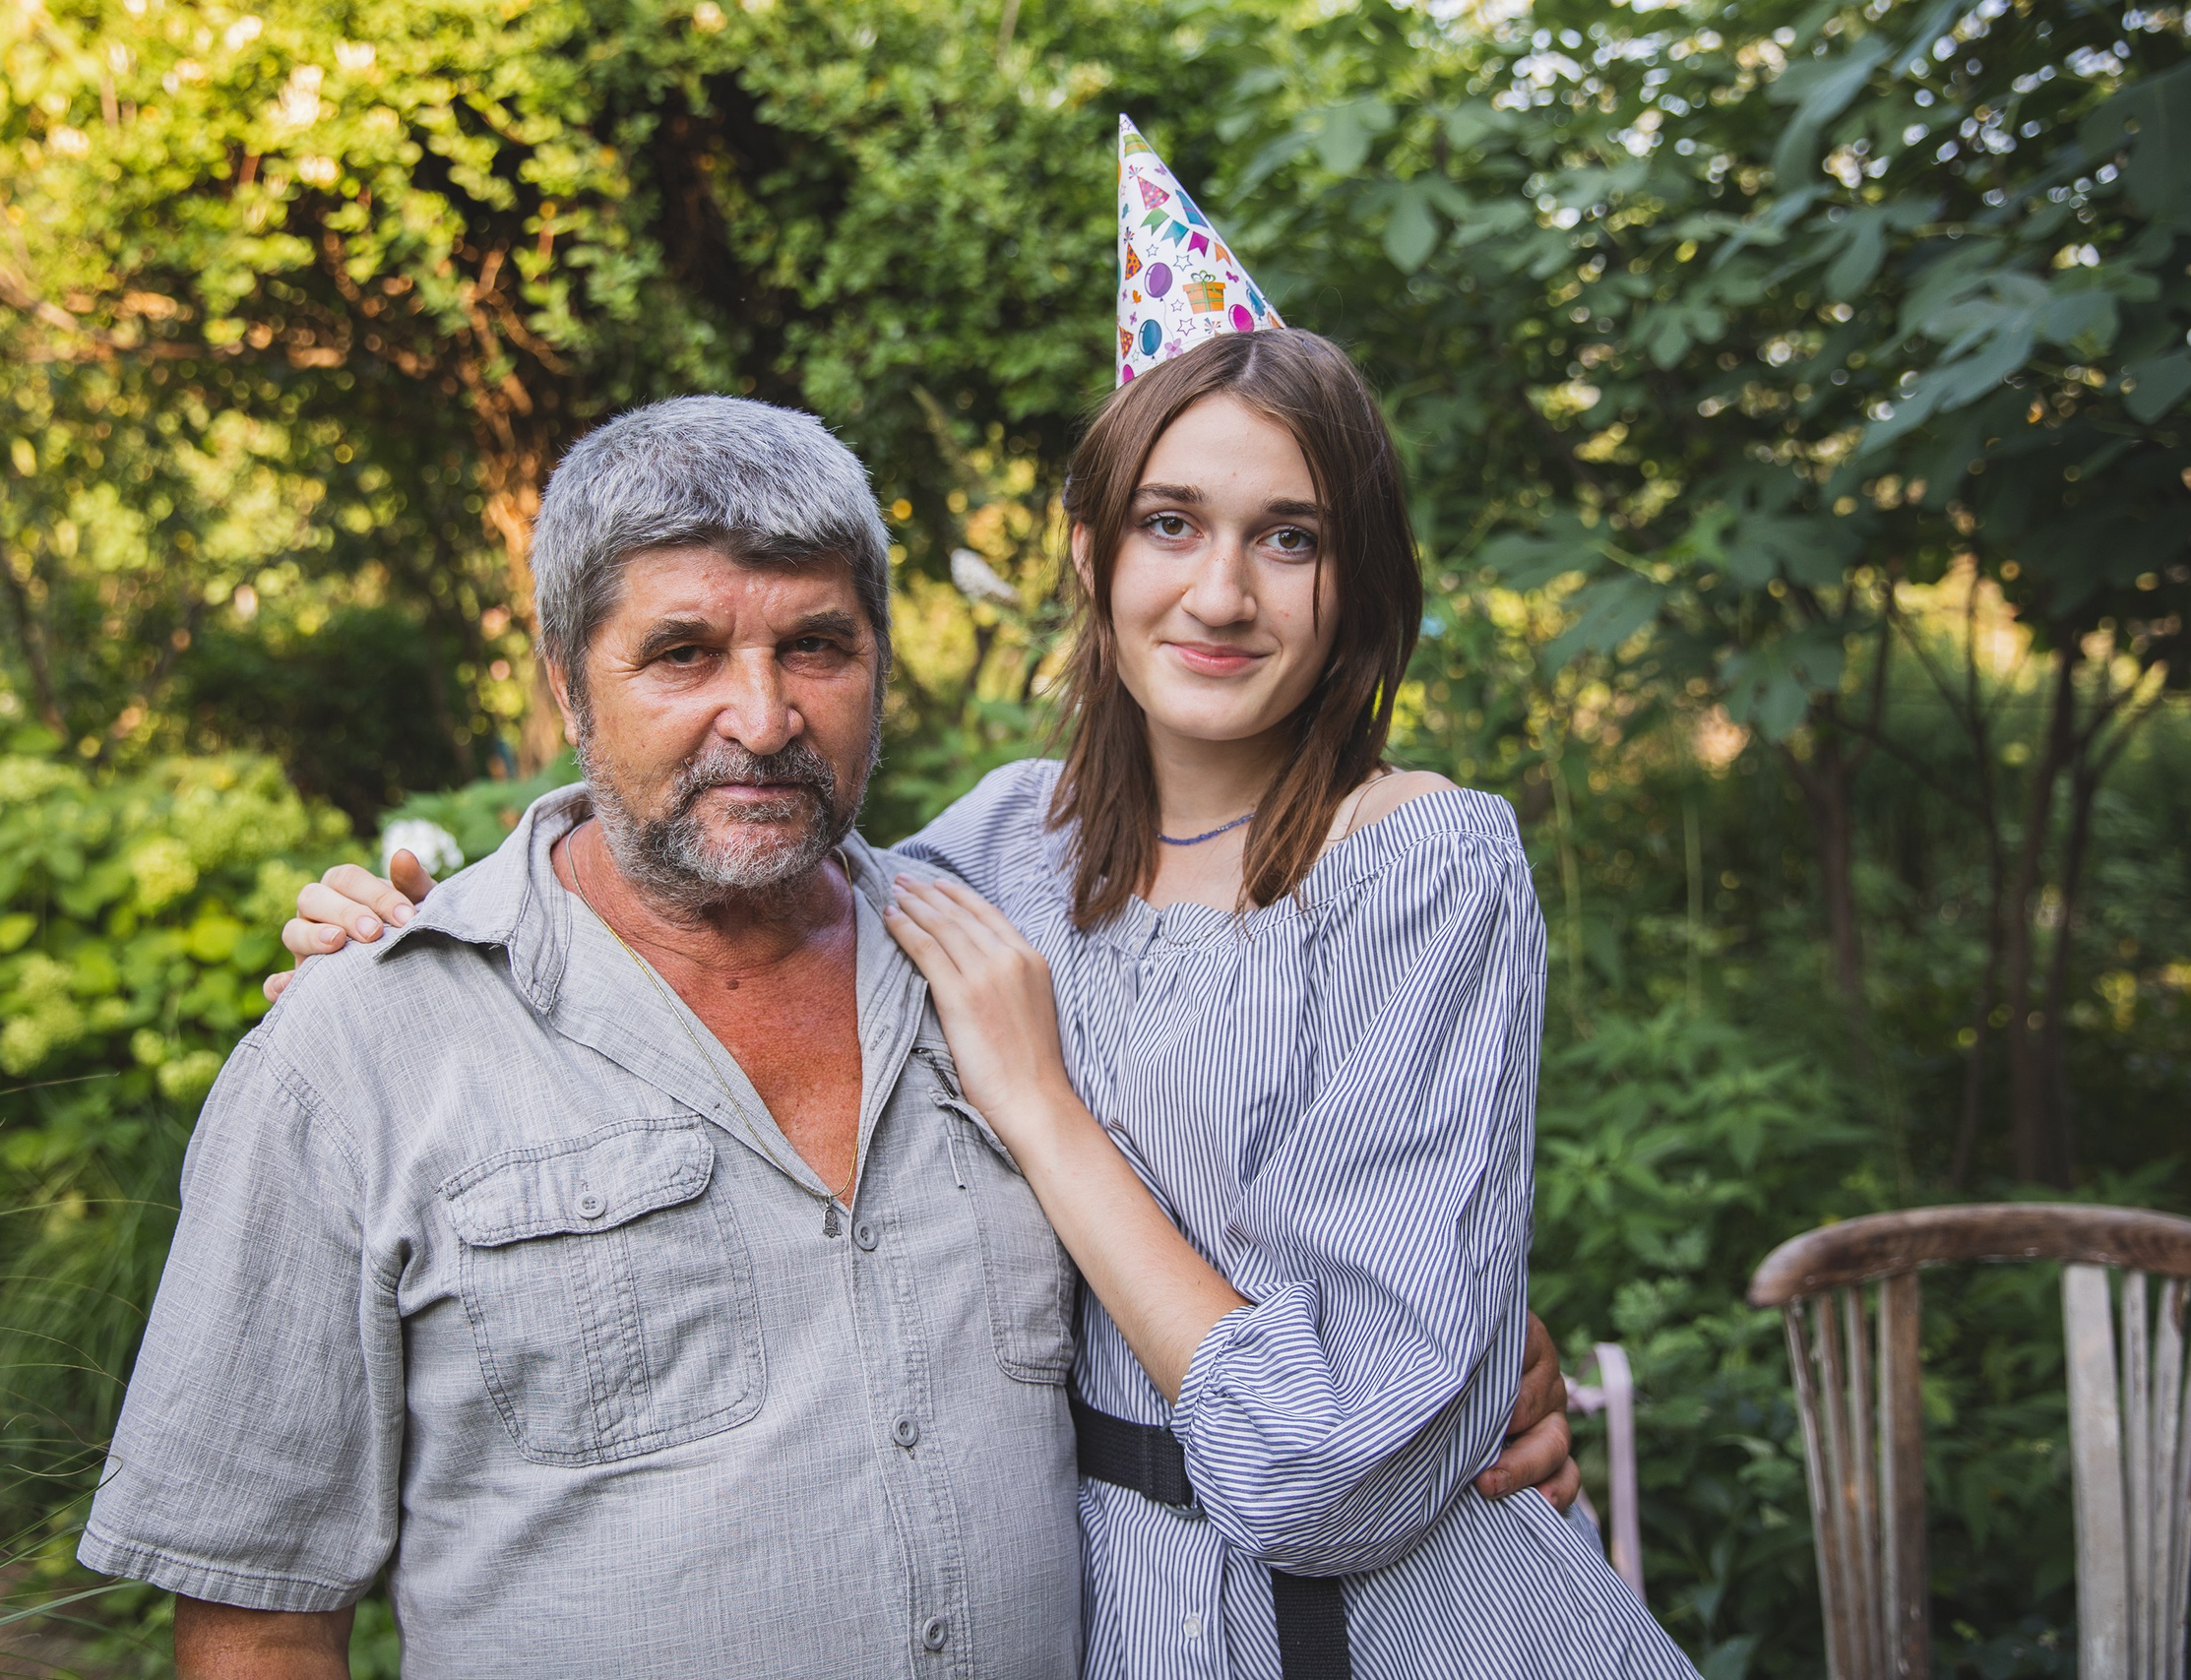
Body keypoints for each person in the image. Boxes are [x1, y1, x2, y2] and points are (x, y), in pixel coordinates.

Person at [276, 119, 1692, 1680]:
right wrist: (420, 954)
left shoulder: (1420, 862)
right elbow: (718, 883)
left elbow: (1329, 1466)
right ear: (1091, 552)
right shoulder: (1002, 848)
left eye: (1289, 539)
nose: (1221, 593)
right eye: (1172, 524)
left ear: (1352, 583)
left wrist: (1047, 1107)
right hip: (1126, 1620)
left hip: (1406, 1629)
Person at [92, 393, 1576, 1679]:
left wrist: (1468, 1357)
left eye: (817, 646)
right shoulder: (372, 1049)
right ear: (567, 680)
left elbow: (1260, 1142)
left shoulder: (969, 933)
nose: (762, 716)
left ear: (881, 666)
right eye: (680, 653)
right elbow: (255, 1605)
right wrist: (381, 971)